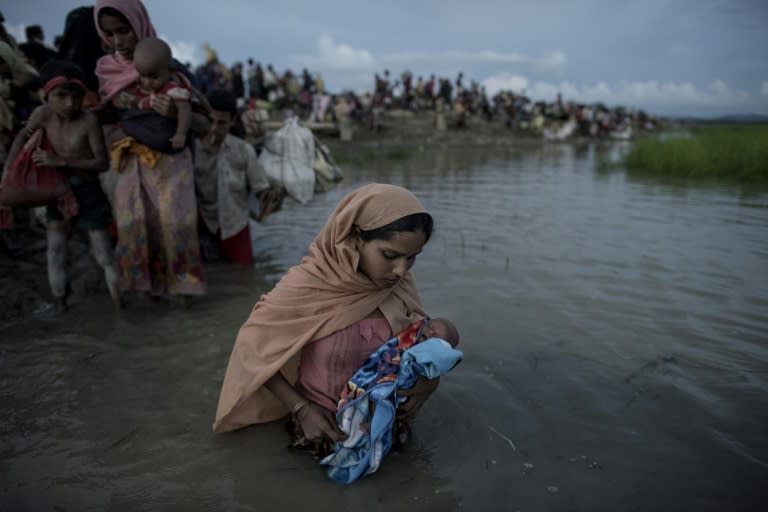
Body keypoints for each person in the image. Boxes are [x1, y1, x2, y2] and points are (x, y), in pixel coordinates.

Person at [213, 183, 449, 449]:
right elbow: (251, 351)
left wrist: (430, 379)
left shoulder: (399, 286)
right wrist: (302, 409)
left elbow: (419, 345)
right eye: (390, 255)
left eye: (412, 258)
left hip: (386, 424)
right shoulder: (308, 286)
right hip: (319, 428)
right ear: (355, 237)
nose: (400, 270)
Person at [94, 0, 207, 301]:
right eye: (109, 34)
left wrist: (174, 114)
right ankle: (146, 303)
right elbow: (101, 116)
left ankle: (184, 306)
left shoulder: (170, 69)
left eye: (124, 31)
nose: (118, 42)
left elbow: (204, 122)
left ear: (139, 24)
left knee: (176, 230)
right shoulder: (107, 71)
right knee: (136, 229)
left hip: (171, 167)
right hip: (131, 164)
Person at [3, 60, 119, 312]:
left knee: (103, 254)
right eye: (61, 95)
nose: (69, 103)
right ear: (47, 96)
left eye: (76, 96)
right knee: (55, 250)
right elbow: (22, 137)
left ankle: (119, 305)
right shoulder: (43, 114)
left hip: (89, 192)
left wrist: (61, 161)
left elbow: (102, 163)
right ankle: (60, 305)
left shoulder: (88, 121)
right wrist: (8, 175)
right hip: (59, 192)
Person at [193, 89, 282, 264]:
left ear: (232, 121)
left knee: (243, 274)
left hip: (235, 226)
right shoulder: (193, 150)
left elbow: (260, 188)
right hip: (202, 224)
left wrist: (270, 195)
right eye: (210, 121)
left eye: (221, 123)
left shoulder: (243, 150)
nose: (214, 129)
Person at [130, 37, 191, 150]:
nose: (147, 82)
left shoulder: (172, 89)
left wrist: (181, 134)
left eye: (154, 77)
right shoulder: (142, 86)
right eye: (143, 76)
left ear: (171, 71)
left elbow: (185, 109)